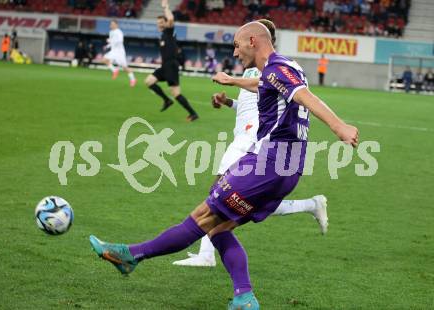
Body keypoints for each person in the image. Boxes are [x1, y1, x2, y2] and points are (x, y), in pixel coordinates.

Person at [89, 22, 358, 309]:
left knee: (203, 217)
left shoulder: (277, 68)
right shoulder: (283, 68)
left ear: (252, 41)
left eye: (237, 44)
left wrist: (339, 126)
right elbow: (266, 84)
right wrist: (233, 83)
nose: (235, 51)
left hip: (268, 163)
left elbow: (305, 96)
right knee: (218, 229)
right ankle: (244, 296)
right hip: (288, 168)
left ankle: (130, 256)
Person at [173, 19, 328, 268]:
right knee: (241, 199)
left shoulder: (274, 67)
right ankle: (311, 204)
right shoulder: (252, 68)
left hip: (257, 139)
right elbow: (250, 105)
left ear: (259, 39)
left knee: (219, 191)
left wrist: (232, 80)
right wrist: (228, 102)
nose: (238, 49)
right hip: (244, 134)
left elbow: (264, 87)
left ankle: (206, 254)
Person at [144, 0, 199, 122]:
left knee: (176, 93)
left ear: (165, 23)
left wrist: (165, 7)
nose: (159, 25)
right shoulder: (163, 35)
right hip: (165, 66)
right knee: (149, 81)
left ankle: (193, 113)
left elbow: (171, 19)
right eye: (158, 23)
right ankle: (166, 100)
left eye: (161, 22)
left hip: (171, 66)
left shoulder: (168, 32)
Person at [103, 20, 137, 87]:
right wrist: (107, 46)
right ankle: (115, 70)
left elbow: (120, 41)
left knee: (125, 68)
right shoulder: (111, 32)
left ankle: (133, 79)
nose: (111, 25)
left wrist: (110, 40)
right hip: (113, 51)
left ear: (116, 25)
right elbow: (111, 42)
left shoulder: (119, 32)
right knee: (104, 59)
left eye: (112, 24)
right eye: (111, 24)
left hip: (119, 52)